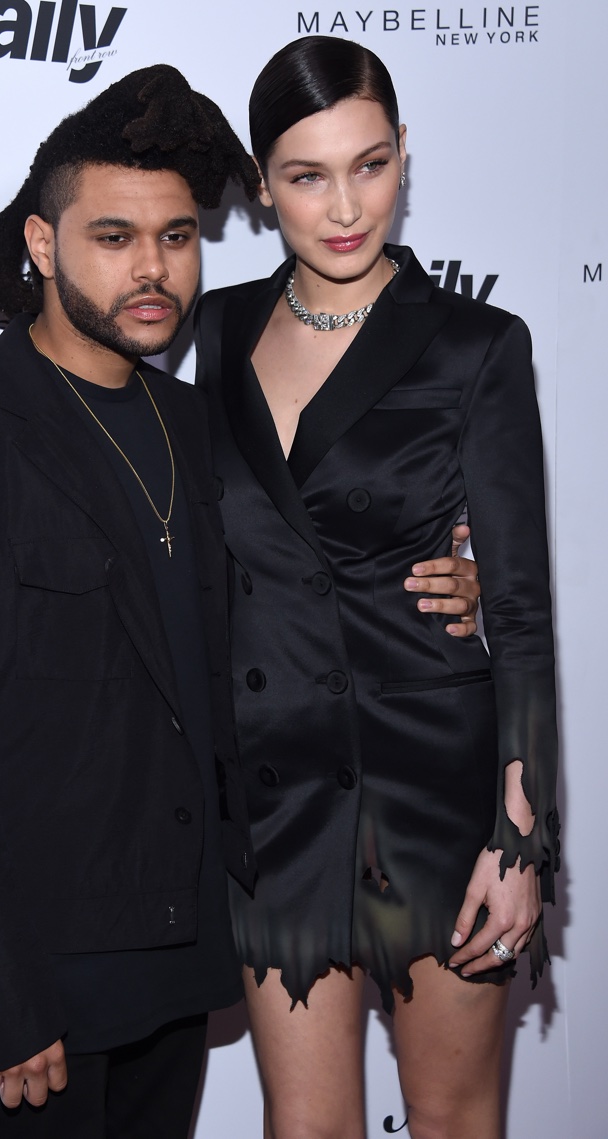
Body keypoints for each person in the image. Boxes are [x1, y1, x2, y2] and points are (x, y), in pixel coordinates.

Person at [0, 60, 480, 1138]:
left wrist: (454, 587)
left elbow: (312, 592)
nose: (153, 270)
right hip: (34, 983)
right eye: (114, 238)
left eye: (177, 237)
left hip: (181, 958)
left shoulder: (207, 432)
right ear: (42, 246)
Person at [194, 36, 558, 1139]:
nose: (344, 206)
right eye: (305, 176)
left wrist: (521, 839)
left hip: (435, 802)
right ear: (261, 186)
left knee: (451, 1117)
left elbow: (524, 614)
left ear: (404, 154)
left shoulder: (474, 346)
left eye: (370, 164)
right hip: (278, 801)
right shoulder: (212, 335)